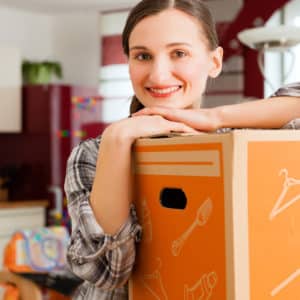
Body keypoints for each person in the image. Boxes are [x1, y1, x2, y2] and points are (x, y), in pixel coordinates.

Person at [64, 0, 300, 299]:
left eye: (179, 53)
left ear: (214, 62)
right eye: (143, 56)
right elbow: (106, 273)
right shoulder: (94, 156)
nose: (159, 75)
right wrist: (118, 140)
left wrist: (214, 118)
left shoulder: (236, 144)